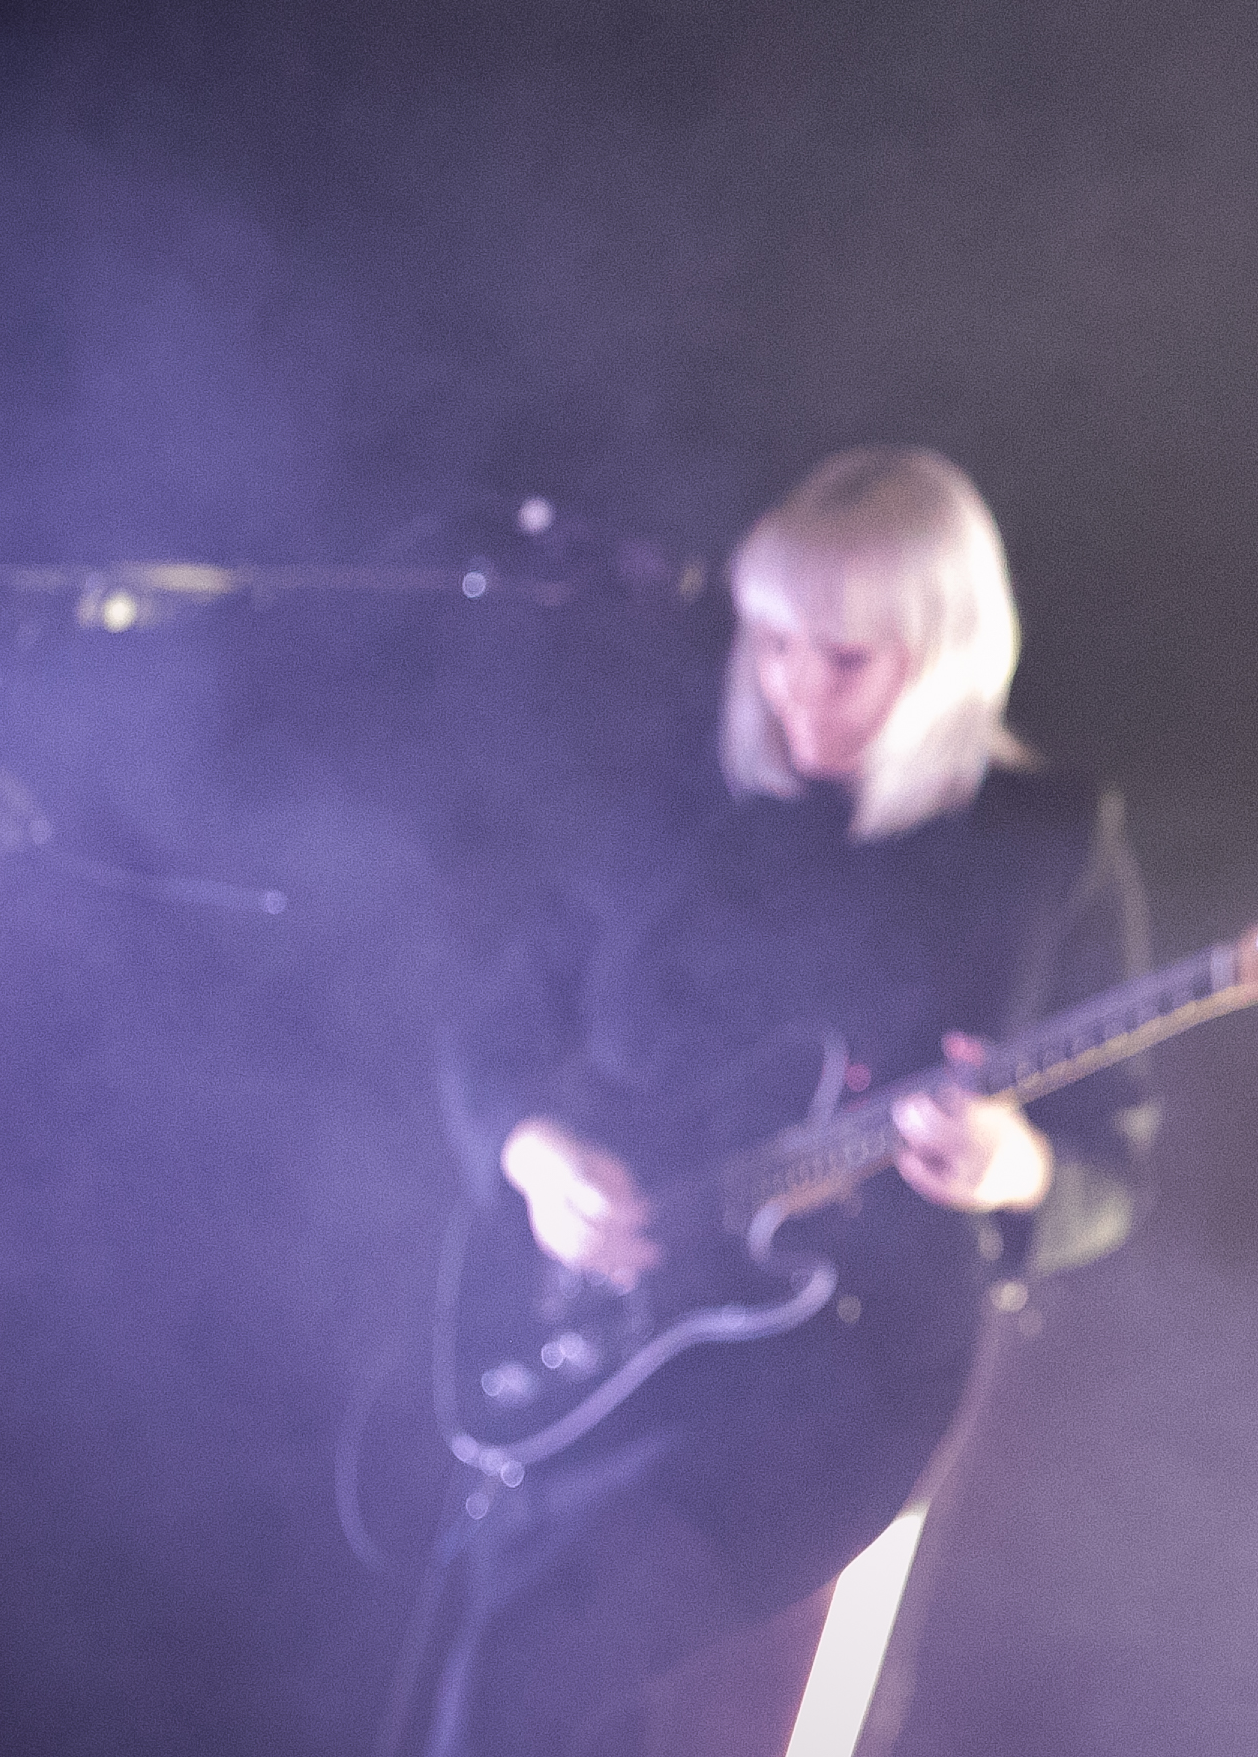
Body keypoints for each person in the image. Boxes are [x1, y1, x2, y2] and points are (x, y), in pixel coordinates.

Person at [427, 446, 1162, 1757]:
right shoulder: (676, 805)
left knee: (552, 1651)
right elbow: (495, 1033)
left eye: (845, 660)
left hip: (831, 1387)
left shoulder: (1042, 846)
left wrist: (1017, 1174)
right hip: (607, 1331)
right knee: (491, 1641)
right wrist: (537, 1161)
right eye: (772, 644)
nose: (795, 689)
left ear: (942, 652)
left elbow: (1113, 1172)